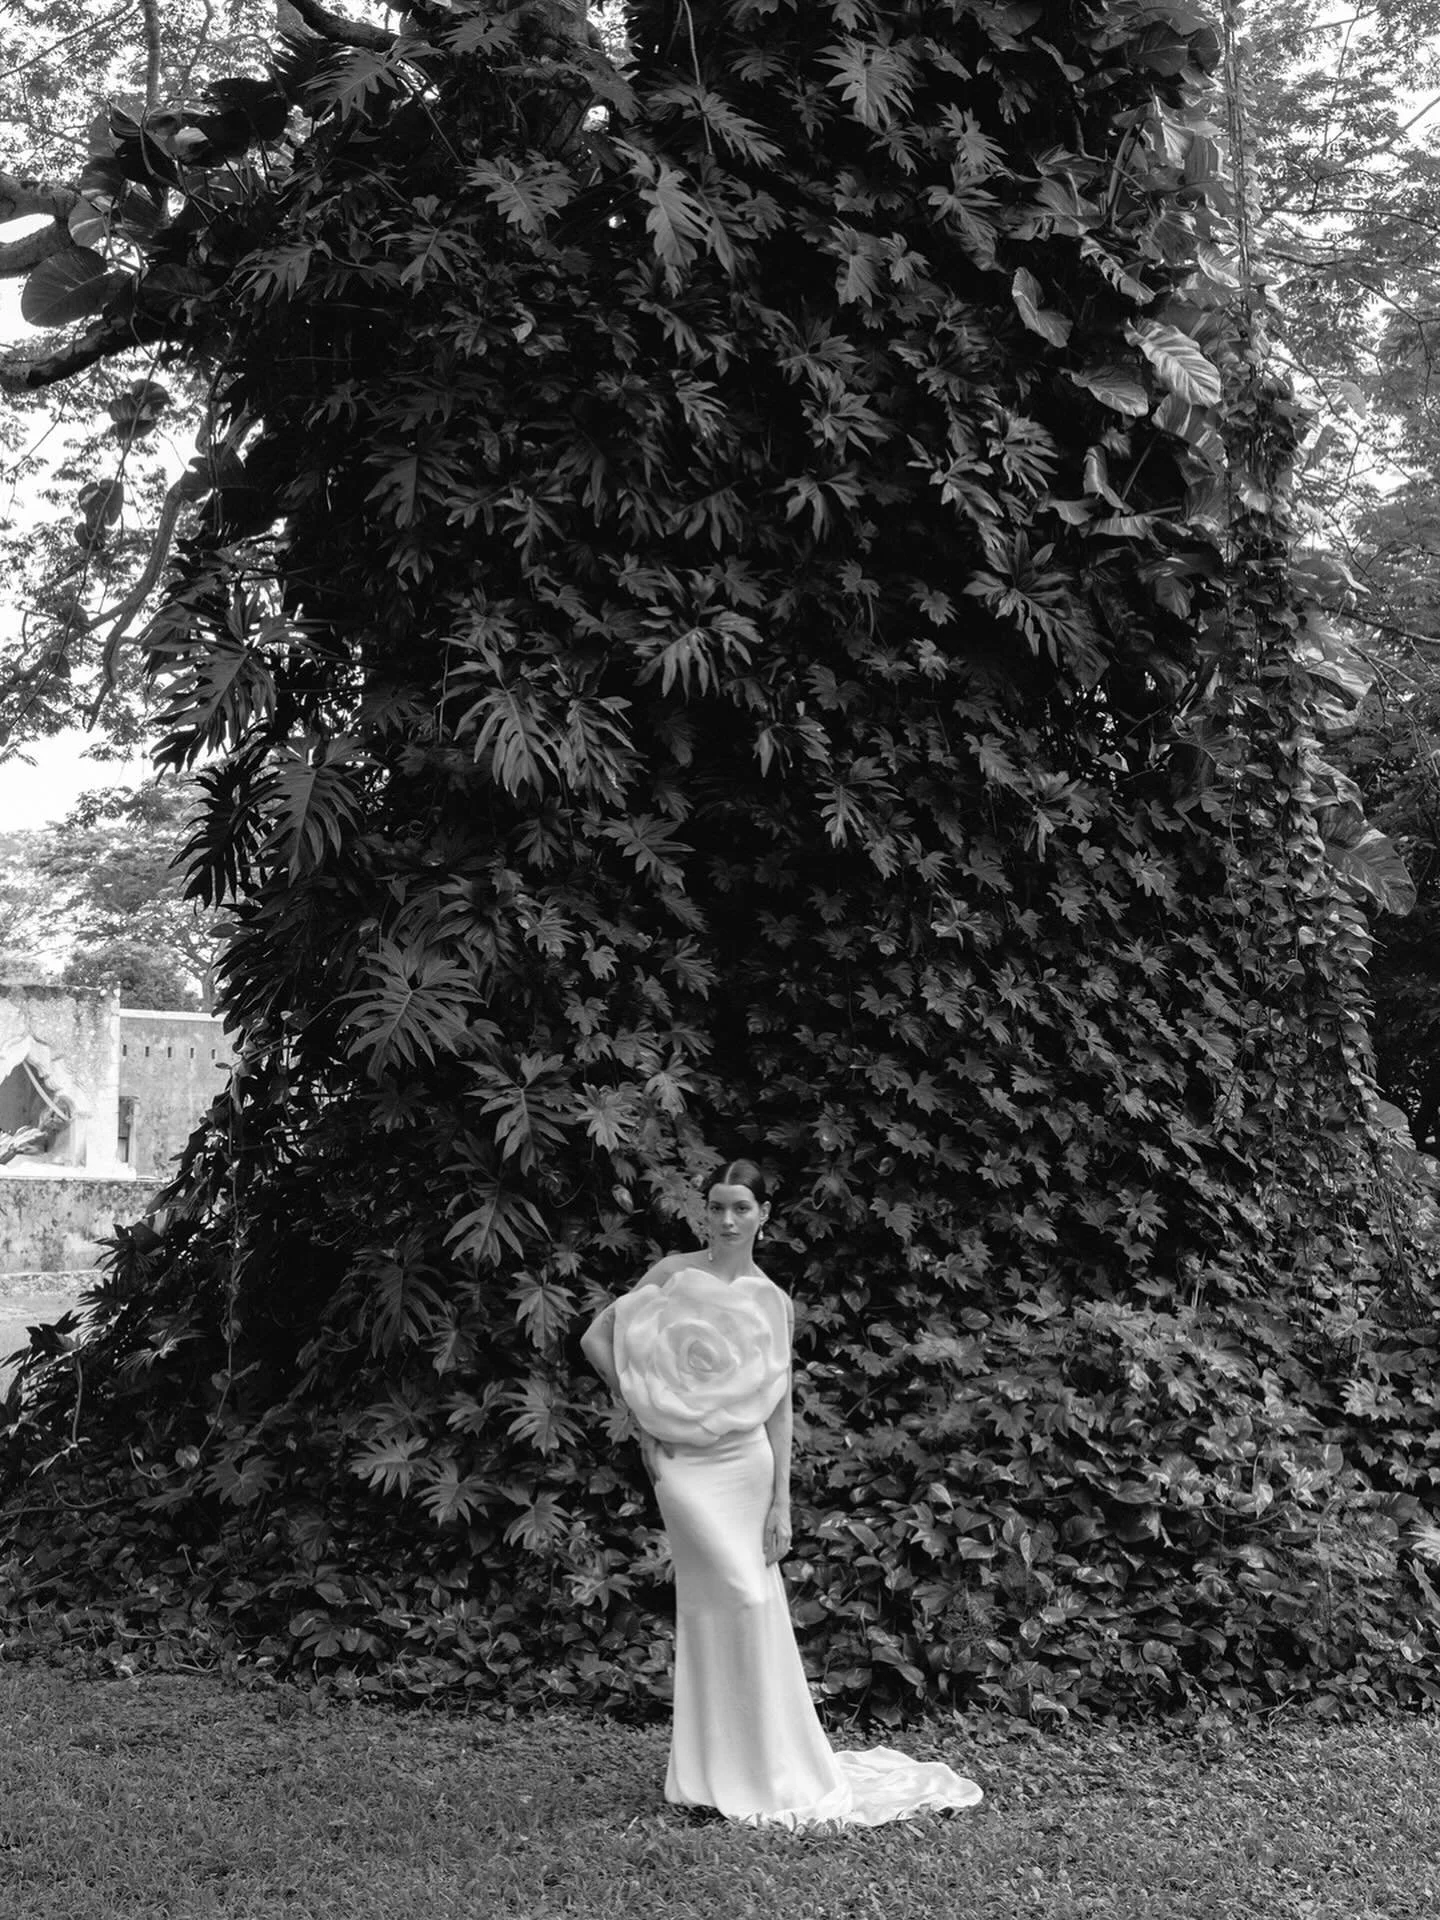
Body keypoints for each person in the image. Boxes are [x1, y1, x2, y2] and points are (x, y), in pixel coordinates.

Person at [580, 1157, 983, 1828]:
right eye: (716, 1206)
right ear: (703, 1211)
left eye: (741, 1207)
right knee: (721, 1603)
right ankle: (716, 1769)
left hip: (746, 1465)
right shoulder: (673, 1274)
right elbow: (596, 1337)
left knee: (748, 1599)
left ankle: (758, 1765)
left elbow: (779, 1407)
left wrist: (781, 1502)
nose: (727, 1219)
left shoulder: (773, 1299)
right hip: (682, 1467)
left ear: (765, 1214)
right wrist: (641, 1411)